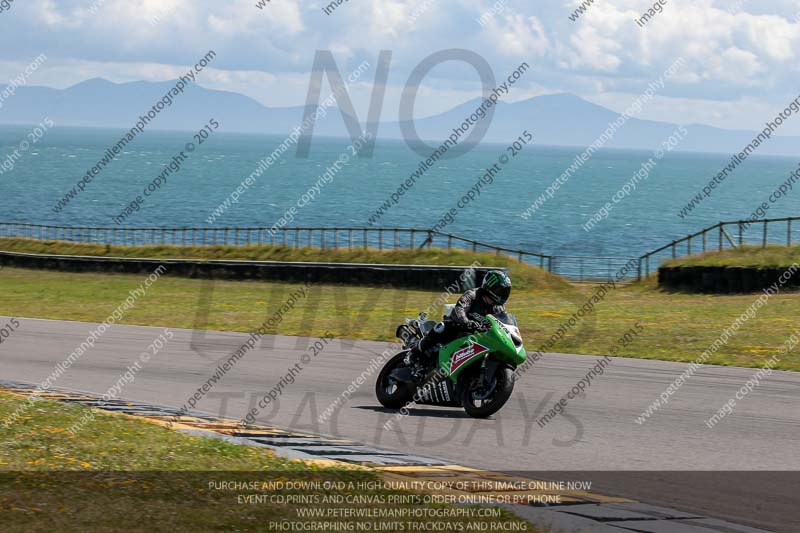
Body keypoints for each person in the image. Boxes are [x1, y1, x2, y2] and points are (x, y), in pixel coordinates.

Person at [410, 270, 512, 363]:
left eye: (505, 292)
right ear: (489, 286)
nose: (502, 294)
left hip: (478, 336)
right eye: (500, 290)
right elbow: (460, 308)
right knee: (441, 327)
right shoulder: (472, 294)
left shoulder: (499, 308)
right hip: (457, 327)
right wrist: (466, 322)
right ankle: (415, 352)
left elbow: (504, 322)